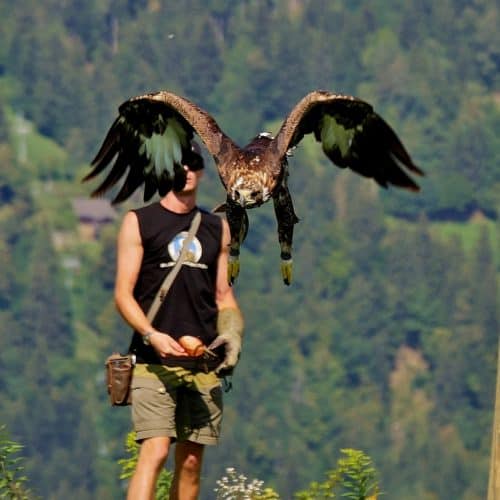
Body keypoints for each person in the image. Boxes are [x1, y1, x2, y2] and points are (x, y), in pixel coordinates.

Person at [114, 143, 244, 500]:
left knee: (190, 462)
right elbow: (123, 295)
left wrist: (232, 334)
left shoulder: (218, 228)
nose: (186, 170)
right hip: (154, 362)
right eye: (179, 164)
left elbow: (223, 295)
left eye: (194, 164)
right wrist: (151, 334)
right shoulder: (139, 222)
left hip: (203, 363)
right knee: (155, 451)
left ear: (201, 171)